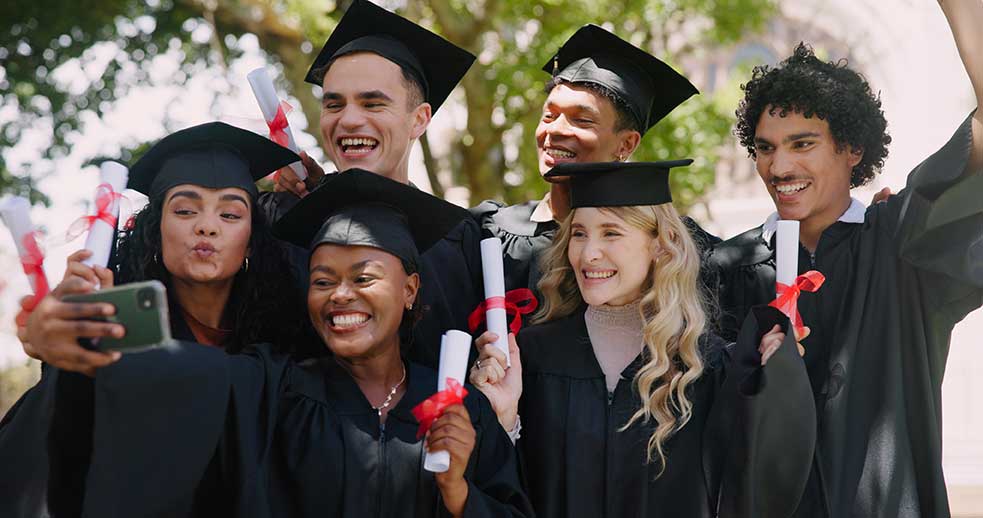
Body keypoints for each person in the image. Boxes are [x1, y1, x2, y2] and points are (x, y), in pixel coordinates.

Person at [40, 170, 534, 518]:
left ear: (409, 290)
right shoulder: (273, 389)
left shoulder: (461, 411)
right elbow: (166, 377)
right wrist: (77, 332)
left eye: (364, 278)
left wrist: (459, 494)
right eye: (322, 281)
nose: (341, 295)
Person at [709, 2, 983, 516]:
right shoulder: (726, 269)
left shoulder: (900, 249)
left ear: (852, 149)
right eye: (765, 148)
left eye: (803, 143)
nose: (779, 166)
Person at [470, 160, 817, 517]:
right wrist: (503, 418)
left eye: (611, 233)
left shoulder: (705, 365)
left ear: (659, 246)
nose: (588, 253)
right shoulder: (532, 357)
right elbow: (501, 495)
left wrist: (779, 384)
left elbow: (755, 486)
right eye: (579, 233)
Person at [2, 122, 314, 518]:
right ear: (156, 228)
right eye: (185, 210)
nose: (207, 225)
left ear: (252, 238)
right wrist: (65, 349)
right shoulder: (119, 329)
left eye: (231, 214)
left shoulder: (283, 339)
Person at [260, 0, 484, 368]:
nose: (348, 120)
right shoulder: (283, 221)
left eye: (372, 104)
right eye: (334, 105)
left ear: (419, 120)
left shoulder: (460, 239)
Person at [470, 24, 719, 304]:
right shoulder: (489, 233)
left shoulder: (678, 249)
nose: (555, 131)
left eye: (582, 120)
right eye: (549, 116)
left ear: (626, 145)